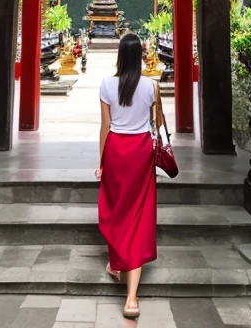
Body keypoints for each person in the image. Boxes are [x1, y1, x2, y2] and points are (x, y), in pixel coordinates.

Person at [95, 32, 157, 319]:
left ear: (120, 55)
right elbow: (156, 125)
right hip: (141, 152)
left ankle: (117, 263)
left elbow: (105, 126)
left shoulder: (107, 84)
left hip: (117, 150)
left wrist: (101, 162)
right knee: (139, 216)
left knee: (117, 209)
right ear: (141, 56)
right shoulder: (151, 87)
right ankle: (132, 299)